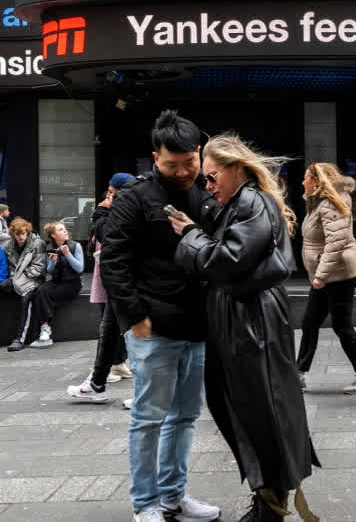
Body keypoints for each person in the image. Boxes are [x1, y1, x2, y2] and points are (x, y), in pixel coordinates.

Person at [170, 134, 319, 521]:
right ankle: (268, 498)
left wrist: (190, 236)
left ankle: (271, 504)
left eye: (212, 175)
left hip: (251, 321)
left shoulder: (251, 201)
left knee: (261, 410)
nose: (208, 184)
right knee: (253, 410)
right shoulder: (240, 202)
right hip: (243, 318)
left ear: (236, 168)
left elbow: (227, 261)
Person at [96, 110, 218, 522]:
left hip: (199, 325)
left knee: (185, 416)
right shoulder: (134, 197)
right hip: (153, 327)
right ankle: (145, 503)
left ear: (200, 154)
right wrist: (134, 318)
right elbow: (113, 262)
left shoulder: (207, 193)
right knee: (148, 419)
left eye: (190, 162)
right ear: (154, 158)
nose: (182, 171)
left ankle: (173, 496)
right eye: (172, 164)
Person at [296, 163, 356, 394]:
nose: (302, 182)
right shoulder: (318, 202)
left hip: (338, 275)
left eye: (305, 179)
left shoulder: (330, 203)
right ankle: (299, 374)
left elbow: (336, 242)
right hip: (327, 273)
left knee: (342, 325)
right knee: (310, 323)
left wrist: (320, 275)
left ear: (317, 181)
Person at [67, 173, 137, 402]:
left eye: (112, 194)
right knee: (109, 331)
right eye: (107, 194)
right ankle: (98, 382)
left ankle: (139, 390)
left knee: (133, 335)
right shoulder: (122, 209)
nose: (108, 198)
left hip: (125, 281)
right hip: (116, 281)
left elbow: (107, 234)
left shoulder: (126, 211)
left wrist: (100, 212)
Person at [28, 221, 82, 349]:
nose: (65, 231)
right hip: (57, 281)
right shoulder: (49, 247)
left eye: (64, 229)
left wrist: (68, 254)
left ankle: (45, 330)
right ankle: (45, 328)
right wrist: (52, 263)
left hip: (72, 283)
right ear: (53, 235)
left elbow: (80, 268)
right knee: (40, 291)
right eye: (60, 230)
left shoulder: (75, 246)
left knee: (45, 296)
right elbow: (50, 270)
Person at [2, 217, 47, 352]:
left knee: (26, 299)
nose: (20, 236)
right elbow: (10, 267)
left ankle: (19, 338)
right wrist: (15, 277)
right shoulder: (9, 246)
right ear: (13, 234)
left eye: (23, 233)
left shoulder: (37, 244)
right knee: (1, 287)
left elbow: (38, 268)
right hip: (17, 278)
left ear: (27, 232)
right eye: (17, 233)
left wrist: (21, 275)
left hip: (33, 279)